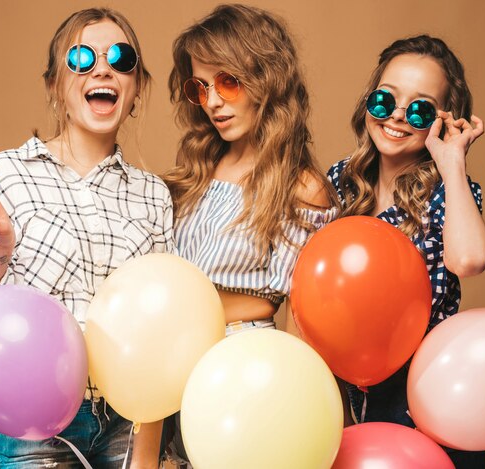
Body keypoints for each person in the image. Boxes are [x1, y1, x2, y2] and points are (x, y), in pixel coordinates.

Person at [0, 7, 171, 469]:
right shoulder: (8, 175)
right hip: (34, 426)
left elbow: (162, 329)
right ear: (54, 85)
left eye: (120, 58)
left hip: (129, 425)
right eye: (82, 57)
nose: (102, 68)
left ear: (136, 88)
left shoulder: (154, 197)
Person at [160, 4, 339, 467]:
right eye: (200, 88)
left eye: (227, 81)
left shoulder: (302, 187)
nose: (213, 101)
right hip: (173, 375)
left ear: (267, 78)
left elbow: (294, 309)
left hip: (244, 380)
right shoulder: (197, 173)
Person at [327, 35, 485, 468]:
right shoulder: (339, 184)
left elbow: (470, 258)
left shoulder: (446, 193)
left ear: (442, 120)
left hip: (432, 400)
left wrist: (451, 161)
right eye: (386, 98)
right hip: (349, 401)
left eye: (420, 108)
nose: (398, 116)